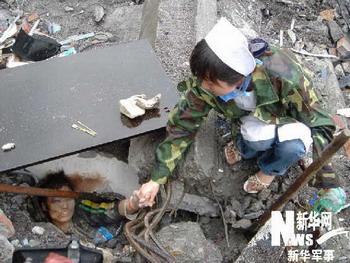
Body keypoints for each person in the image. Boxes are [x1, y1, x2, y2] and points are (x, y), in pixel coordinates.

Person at [136, 17, 346, 211]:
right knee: (252, 141)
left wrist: (327, 180)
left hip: (284, 120)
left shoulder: (284, 76)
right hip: (248, 119)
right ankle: (243, 145)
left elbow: (320, 124)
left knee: (293, 147)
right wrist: (157, 178)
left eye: (210, 83)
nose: (202, 86)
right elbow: (182, 127)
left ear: (238, 78)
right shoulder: (208, 83)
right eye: (201, 79)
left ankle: (269, 170)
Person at [30, 170, 139, 244]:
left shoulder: (82, 211)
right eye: (56, 201)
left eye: (69, 199)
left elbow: (105, 210)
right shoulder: (37, 227)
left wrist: (132, 204)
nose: (65, 206)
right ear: (44, 206)